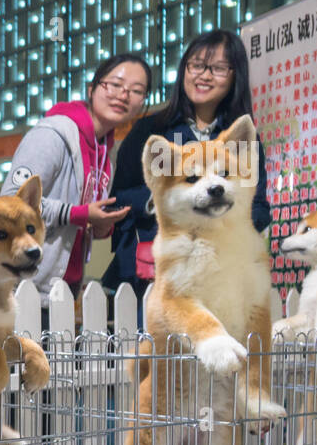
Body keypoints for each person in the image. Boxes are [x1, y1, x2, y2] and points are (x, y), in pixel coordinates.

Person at [103, 29, 270, 306]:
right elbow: (116, 199)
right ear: (184, 70)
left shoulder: (239, 139)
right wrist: (167, 200)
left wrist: (221, 212)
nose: (203, 75)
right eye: (196, 65)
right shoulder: (153, 130)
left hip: (221, 275)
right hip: (153, 275)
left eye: (217, 68)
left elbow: (260, 207)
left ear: (235, 75)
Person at [0, 53, 152, 309]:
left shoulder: (106, 155)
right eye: (114, 84)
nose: (123, 95)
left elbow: (79, 218)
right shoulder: (52, 135)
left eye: (136, 91)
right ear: (92, 89)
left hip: (62, 292)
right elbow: (11, 203)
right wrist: (79, 214)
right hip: (23, 289)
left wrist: (100, 227)